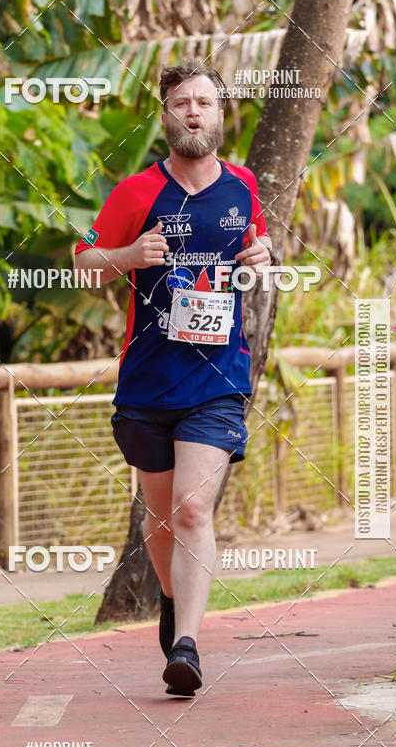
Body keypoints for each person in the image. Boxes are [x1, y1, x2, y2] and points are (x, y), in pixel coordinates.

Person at [74, 57, 272, 696]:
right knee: (160, 519)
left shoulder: (243, 189)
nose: (193, 111)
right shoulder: (137, 192)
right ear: (165, 115)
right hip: (147, 380)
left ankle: (186, 645)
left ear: (220, 115)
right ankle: (170, 596)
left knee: (192, 508)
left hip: (217, 378)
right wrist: (129, 255)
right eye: (181, 102)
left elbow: (256, 263)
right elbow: (84, 262)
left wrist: (263, 257)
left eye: (205, 103)